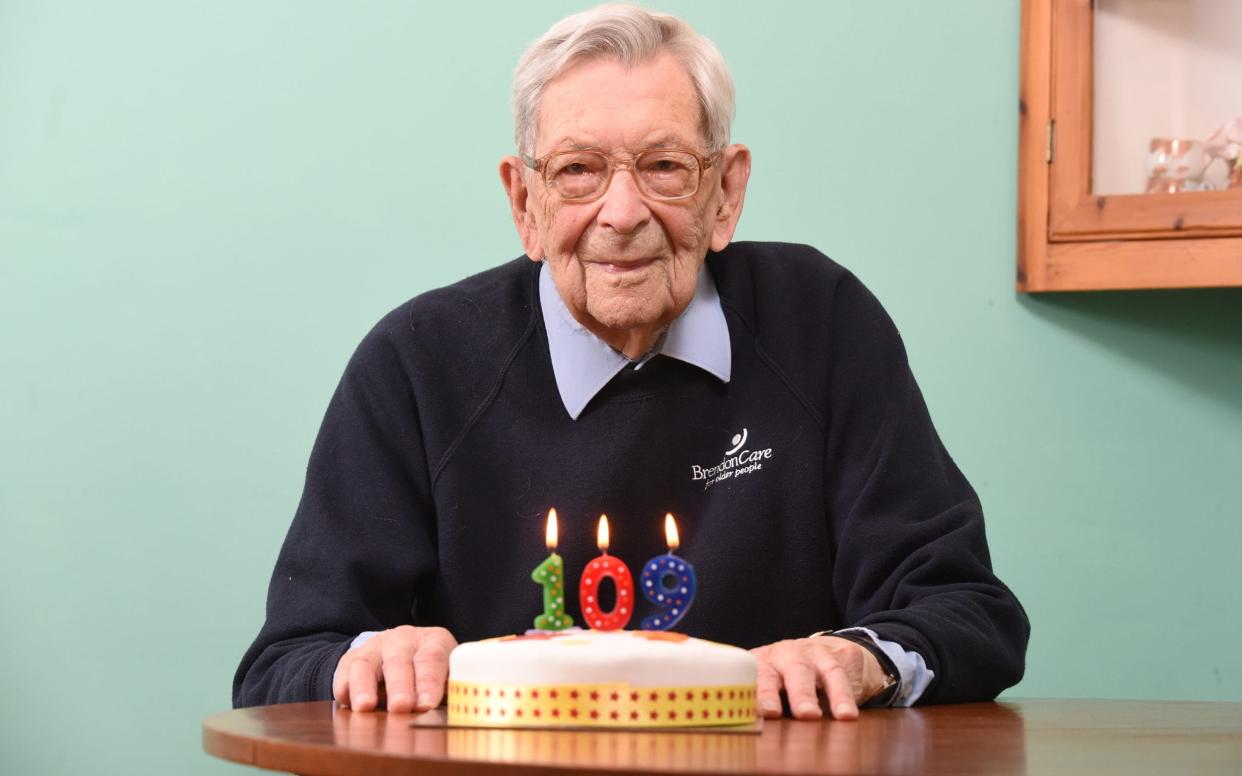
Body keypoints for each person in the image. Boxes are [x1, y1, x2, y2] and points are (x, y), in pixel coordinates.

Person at [234, 4, 1028, 721]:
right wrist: (365, 664)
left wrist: (863, 660)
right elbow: (281, 668)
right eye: (578, 170)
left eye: (664, 168)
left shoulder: (821, 323)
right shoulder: (415, 364)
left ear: (725, 194)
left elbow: (969, 612)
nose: (622, 214)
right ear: (524, 204)